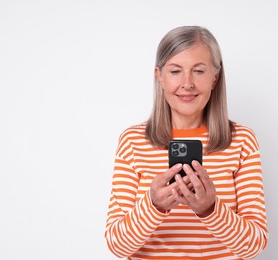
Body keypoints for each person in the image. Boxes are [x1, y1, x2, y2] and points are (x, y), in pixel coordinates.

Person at [105, 25, 268, 259]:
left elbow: (254, 246)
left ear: (215, 77)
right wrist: (153, 206)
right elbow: (117, 246)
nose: (187, 83)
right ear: (159, 76)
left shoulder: (242, 141)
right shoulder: (133, 141)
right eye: (175, 71)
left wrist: (211, 210)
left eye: (199, 71)